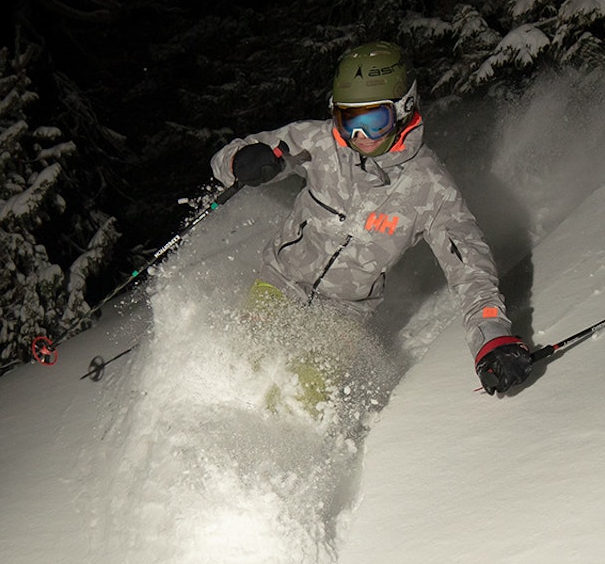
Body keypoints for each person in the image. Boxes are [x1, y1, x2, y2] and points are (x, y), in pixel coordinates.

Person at [210, 41, 532, 396]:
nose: (358, 136)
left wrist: (493, 337)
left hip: (342, 316)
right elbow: (230, 159)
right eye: (349, 120)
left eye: (373, 121)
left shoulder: (429, 188)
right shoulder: (319, 141)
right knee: (233, 375)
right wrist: (241, 160)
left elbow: (470, 269)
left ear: (404, 108)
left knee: (298, 400)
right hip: (278, 282)